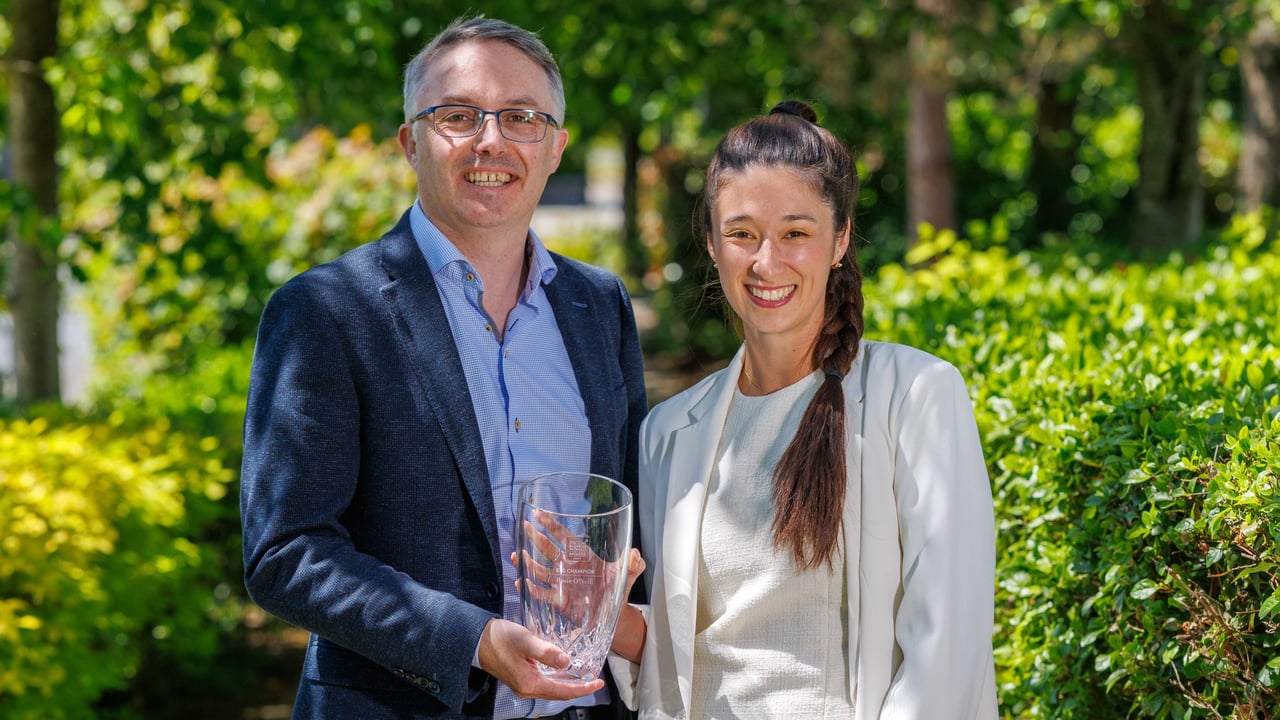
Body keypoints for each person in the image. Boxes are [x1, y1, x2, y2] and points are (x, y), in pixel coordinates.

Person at [240, 15, 647, 720]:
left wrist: (620, 576)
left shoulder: (598, 305)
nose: (491, 140)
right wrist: (474, 641)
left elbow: (627, 499)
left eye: (522, 117)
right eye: (458, 116)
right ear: (411, 142)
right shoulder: (328, 311)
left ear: (555, 147)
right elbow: (286, 553)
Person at [606, 101, 998, 718]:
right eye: (741, 234)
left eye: (795, 232)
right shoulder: (668, 433)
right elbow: (690, 651)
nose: (767, 262)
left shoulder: (916, 395)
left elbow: (946, 649)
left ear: (840, 238)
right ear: (711, 242)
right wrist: (598, 613)